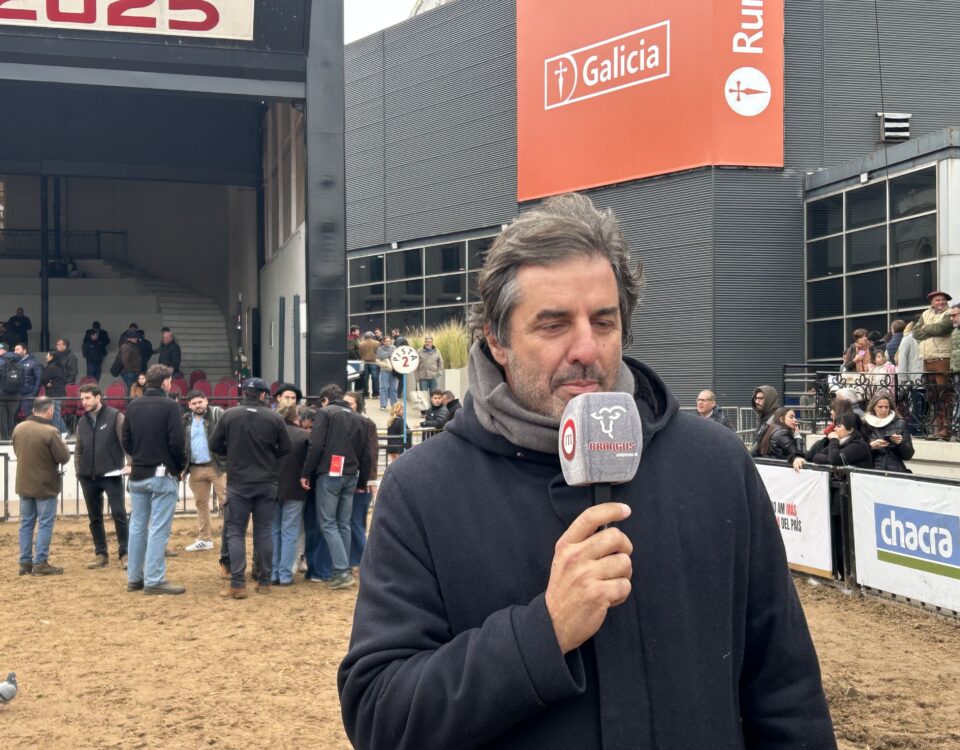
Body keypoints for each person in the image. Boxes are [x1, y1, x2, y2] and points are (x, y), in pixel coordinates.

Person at [338, 192, 835, 749]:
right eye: (554, 325)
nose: (586, 348)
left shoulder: (715, 465)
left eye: (603, 321)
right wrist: (543, 633)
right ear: (497, 340)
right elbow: (380, 716)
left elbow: (786, 695)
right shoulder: (423, 490)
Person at [209, 377, 291, 599]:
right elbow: (286, 447)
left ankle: (238, 582)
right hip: (266, 480)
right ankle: (264, 581)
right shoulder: (274, 417)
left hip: (239, 481)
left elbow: (214, 444)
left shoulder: (229, 415)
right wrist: (269, 455)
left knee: (236, 531)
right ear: (263, 395)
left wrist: (232, 452)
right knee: (264, 531)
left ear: (244, 393)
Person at [122, 364, 187, 595]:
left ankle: (134, 577)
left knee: (137, 526)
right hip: (162, 474)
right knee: (158, 528)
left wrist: (137, 458)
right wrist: (179, 467)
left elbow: (126, 440)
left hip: (138, 473)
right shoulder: (170, 406)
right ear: (165, 382)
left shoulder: (133, 405)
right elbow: (177, 442)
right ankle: (154, 579)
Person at [300, 383, 372, 590]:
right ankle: (344, 569)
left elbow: (316, 445)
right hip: (351, 475)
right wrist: (362, 481)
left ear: (325, 400)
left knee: (328, 523)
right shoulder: (360, 419)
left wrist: (306, 473)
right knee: (343, 524)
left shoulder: (326, 413)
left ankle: (341, 571)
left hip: (329, 474)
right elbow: (366, 453)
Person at [75, 384, 130, 569]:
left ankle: (125, 553)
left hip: (111, 474)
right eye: (82, 399)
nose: (84, 402)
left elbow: (126, 443)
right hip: (87, 477)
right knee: (94, 518)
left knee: (119, 513)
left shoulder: (115, 416)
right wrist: (78, 471)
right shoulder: (82, 422)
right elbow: (78, 449)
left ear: (98, 397)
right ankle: (101, 554)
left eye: (88, 398)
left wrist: (130, 463)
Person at [13, 398, 70, 577]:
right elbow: (63, 457)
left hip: (24, 483)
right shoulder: (50, 431)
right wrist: (65, 446)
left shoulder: (19, 428)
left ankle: (25, 562)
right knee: (45, 523)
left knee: (26, 523)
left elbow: (17, 451)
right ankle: (40, 562)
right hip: (45, 485)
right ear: (50, 411)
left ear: (34, 410)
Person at [182, 390, 226, 553]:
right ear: (189, 405)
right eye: (194, 403)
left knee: (227, 503)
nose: (197, 405)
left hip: (218, 466)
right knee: (201, 504)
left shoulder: (217, 414)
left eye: (200, 402)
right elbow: (183, 444)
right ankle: (205, 539)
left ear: (206, 401)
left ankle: (232, 537)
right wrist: (183, 468)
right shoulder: (185, 420)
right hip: (195, 468)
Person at [271, 405, 310, 585]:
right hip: (295, 488)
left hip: (272, 487)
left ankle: (273, 573)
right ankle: (285, 575)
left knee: (274, 531)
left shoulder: (269, 434)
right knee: (290, 532)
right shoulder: (304, 435)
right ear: (296, 418)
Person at [343, 391, 379, 567]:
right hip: (349, 478)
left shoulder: (367, 424)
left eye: (351, 403)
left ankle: (361, 560)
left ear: (358, 404)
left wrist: (369, 480)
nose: (347, 406)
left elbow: (371, 454)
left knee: (356, 521)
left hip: (360, 481)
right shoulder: (344, 422)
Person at [913, 291, 954, 439]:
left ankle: (947, 428)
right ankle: (937, 427)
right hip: (927, 360)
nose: (941, 302)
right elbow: (916, 333)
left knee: (944, 395)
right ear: (932, 302)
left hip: (942, 358)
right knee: (932, 396)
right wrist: (931, 329)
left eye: (943, 300)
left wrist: (926, 328)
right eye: (937, 300)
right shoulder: (925, 314)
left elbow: (942, 329)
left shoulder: (950, 313)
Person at [862, 391, 914, 473]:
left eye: (886, 407)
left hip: (895, 470)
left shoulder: (900, 423)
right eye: (880, 407)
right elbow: (858, 452)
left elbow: (908, 455)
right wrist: (870, 447)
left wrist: (900, 443)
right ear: (873, 407)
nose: (883, 410)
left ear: (890, 408)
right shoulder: (865, 424)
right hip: (872, 470)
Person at [807, 411, 872, 468]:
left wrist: (834, 440)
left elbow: (836, 460)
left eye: (839, 426)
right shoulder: (842, 442)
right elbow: (816, 456)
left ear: (850, 430)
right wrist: (831, 458)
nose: (835, 429)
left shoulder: (859, 445)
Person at [752, 407, 805, 472]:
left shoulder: (772, 429)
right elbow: (798, 454)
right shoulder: (781, 434)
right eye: (791, 417)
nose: (795, 420)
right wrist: (797, 436)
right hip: (780, 470)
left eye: (794, 417)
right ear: (781, 419)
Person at [40, 350, 67, 434]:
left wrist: (46, 382)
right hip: (60, 393)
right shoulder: (60, 367)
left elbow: (43, 378)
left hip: (53, 394)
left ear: (52, 357)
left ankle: (57, 433)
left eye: (47, 355)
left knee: (55, 416)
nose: (46, 356)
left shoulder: (50, 367)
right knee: (57, 414)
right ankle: (65, 432)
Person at [13, 344, 41, 423]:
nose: (15, 352)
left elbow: (39, 380)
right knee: (12, 416)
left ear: (24, 351)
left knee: (30, 417)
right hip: (16, 394)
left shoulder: (34, 362)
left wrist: (34, 394)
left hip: (28, 395)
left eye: (17, 350)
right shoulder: (14, 362)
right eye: (14, 350)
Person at [0, 343, 22, 440]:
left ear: (4, 350)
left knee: (2, 419)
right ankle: (13, 438)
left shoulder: (0, 362)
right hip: (15, 395)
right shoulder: (19, 362)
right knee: (12, 418)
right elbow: (23, 380)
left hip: (1, 395)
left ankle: (5, 439)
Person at [749, 384, 779, 450]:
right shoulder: (762, 417)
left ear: (770, 400)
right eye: (756, 398)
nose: (757, 401)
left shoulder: (777, 419)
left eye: (761, 398)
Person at [375, 335, 398, 410]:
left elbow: (397, 357)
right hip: (384, 370)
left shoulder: (394, 348)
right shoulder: (380, 349)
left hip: (394, 370)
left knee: (393, 388)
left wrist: (387, 356)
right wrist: (391, 355)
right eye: (386, 341)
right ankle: (383, 405)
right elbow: (379, 358)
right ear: (383, 342)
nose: (388, 342)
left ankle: (394, 405)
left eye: (389, 341)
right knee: (384, 387)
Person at [359, 332, 380, 400]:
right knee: (375, 379)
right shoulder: (377, 343)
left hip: (364, 363)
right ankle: (375, 395)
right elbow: (378, 353)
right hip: (374, 362)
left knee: (365, 379)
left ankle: (366, 395)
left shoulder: (361, 343)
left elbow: (360, 354)